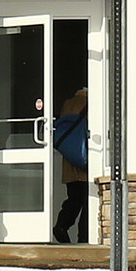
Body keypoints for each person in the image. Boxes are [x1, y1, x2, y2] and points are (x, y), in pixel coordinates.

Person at [52, 86, 89, 243]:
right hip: (85, 158)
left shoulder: (67, 104)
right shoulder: (92, 102)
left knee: (73, 199)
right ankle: (84, 238)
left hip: (70, 160)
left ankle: (61, 225)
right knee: (88, 203)